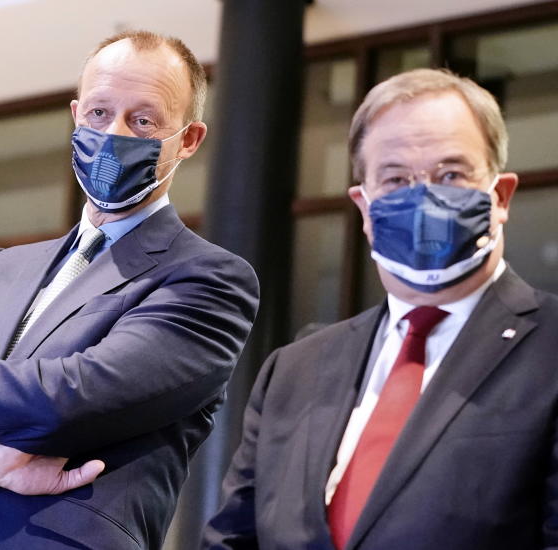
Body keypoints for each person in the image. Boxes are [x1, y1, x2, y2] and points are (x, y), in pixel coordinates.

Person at [0, 30, 260, 550]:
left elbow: (76, 394)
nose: (114, 134)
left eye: (143, 120)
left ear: (189, 140)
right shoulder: (0, 269)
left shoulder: (208, 279)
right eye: (100, 114)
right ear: (76, 115)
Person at [201, 68, 558, 549]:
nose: (423, 197)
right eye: (395, 178)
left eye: (451, 174)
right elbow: (232, 539)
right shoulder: (293, 370)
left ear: (499, 196)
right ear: (364, 207)